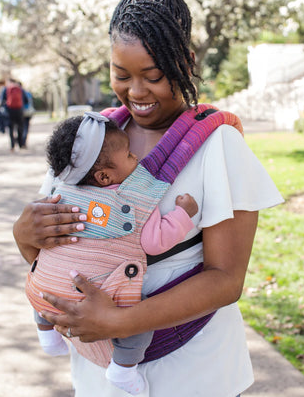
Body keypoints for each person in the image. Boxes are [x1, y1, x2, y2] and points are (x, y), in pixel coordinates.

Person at [13, 0, 284, 397]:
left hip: (195, 372)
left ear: (188, 62)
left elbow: (225, 278)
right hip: (100, 374)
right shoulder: (89, 141)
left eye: (154, 76)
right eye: (121, 75)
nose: (136, 92)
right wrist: (24, 235)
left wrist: (121, 321)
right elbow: (65, 253)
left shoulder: (218, 145)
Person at [28, 111, 198, 395]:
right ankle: (122, 371)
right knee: (139, 324)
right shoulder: (133, 200)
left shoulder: (60, 191)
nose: (137, 159)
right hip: (95, 296)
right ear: (105, 176)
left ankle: (46, 335)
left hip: (41, 288)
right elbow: (156, 241)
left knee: (48, 286)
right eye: (130, 155)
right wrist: (184, 214)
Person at [0, 77, 28, 151]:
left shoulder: (6, 89)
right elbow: (26, 100)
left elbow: (1, 101)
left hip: (10, 111)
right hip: (19, 110)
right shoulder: (20, 89)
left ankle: (12, 146)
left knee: (11, 128)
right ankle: (20, 144)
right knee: (20, 127)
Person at [21, 84, 35, 148]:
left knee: (20, 128)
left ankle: (20, 142)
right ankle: (24, 142)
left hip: (20, 112)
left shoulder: (20, 93)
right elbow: (30, 103)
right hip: (28, 112)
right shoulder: (28, 93)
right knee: (26, 127)